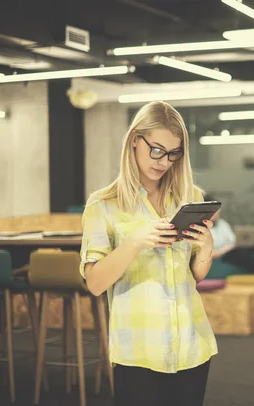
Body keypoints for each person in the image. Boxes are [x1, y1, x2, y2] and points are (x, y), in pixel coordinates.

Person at [80, 101, 217, 406]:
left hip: (192, 344)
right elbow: (94, 283)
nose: (163, 161)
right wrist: (133, 242)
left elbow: (195, 275)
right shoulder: (103, 204)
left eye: (173, 154)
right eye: (156, 150)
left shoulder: (188, 197)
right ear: (134, 141)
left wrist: (206, 248)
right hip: (140, 348)